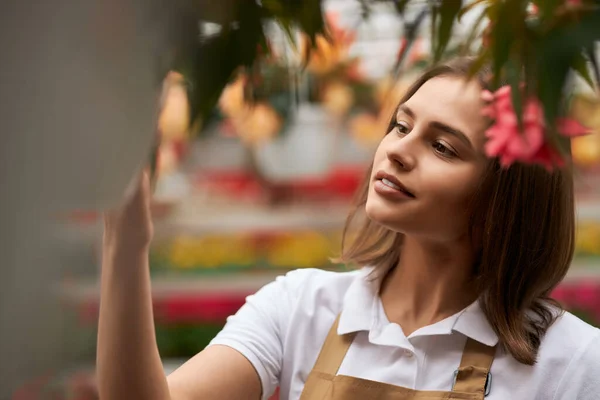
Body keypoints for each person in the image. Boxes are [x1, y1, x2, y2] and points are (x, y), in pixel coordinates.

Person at [97, 58, 600, 400]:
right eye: (401, 126)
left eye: (443, 146)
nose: (398, 150)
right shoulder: (300, 308)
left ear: (507, 197)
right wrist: (126, 240)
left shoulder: (572, 362)